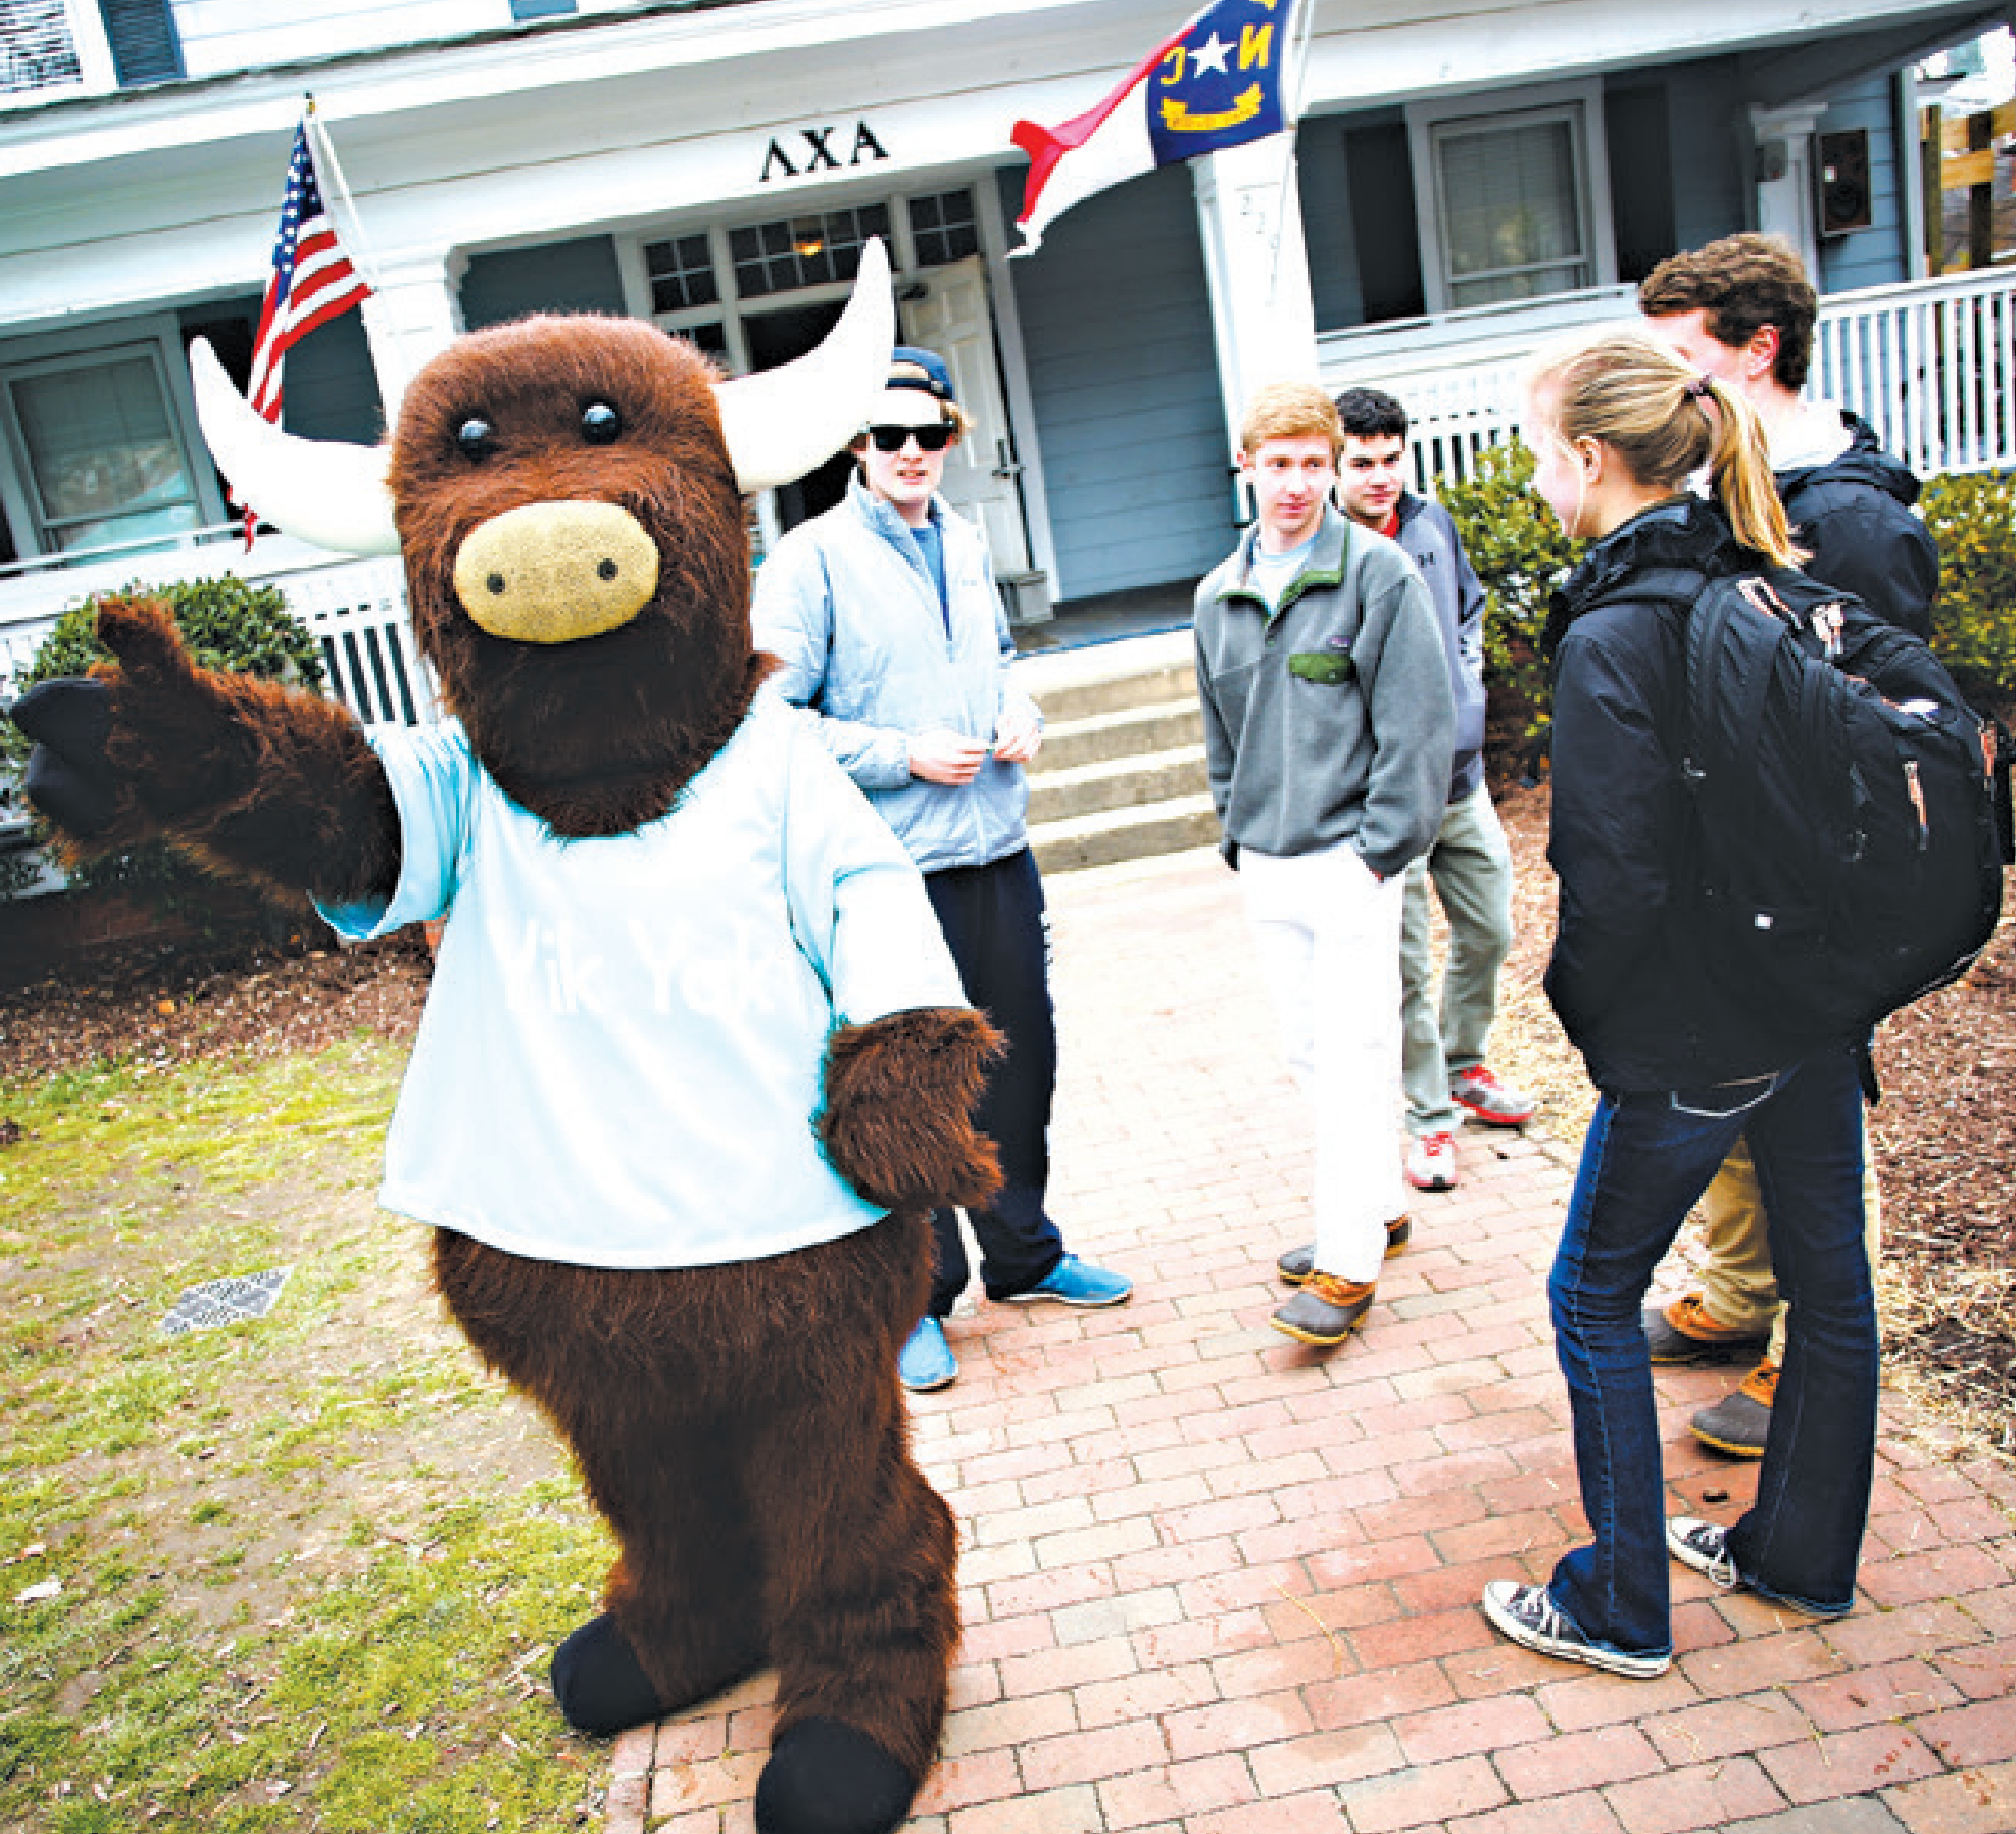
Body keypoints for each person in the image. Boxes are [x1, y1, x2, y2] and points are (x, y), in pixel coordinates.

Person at [1480, 329, 1877, 1679]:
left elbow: (1612, 873)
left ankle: (1619, 1605)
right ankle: (1800, 1555)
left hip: (1699, 1030)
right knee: (1831, 1287)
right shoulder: (1758, 580)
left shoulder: (1613, 630)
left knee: (1590, 1297)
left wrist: (1602, 1028)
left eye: (1541, 452)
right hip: (1810, 1002)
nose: (1536, 477)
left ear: (1593, 458)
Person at [752, 345, 1131, 1394]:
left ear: (952, 440)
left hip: (997, 850)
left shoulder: (965, 540)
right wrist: (899, 754)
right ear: (858, 445)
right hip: (890, 874)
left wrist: (1021, 712)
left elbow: (1000, 661)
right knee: (910, 1089)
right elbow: (771, 719)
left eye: (930, 435)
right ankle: (918, 1299)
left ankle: (1026, 1256)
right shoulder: (810, 562)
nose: (911, 452)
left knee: (1022, 1066)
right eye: (889, 436)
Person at [1637, 232, 1937, 1455]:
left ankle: (1810, 1353)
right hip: (1723, 868)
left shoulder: (1850, 521)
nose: (1664, 389)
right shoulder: (1713, 489)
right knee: (1728, 1086)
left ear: (1758, 350)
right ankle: (1735, 1294)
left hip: (1811, 884)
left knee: (1813, 1121)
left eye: (1681, 360)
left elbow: (1885, 723)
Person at [1193, 381, 1454, 1348]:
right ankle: (1378, 1204)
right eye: (1279, 464)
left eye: (1314, 464)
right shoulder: (1216, 596)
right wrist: (1236, 832)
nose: (1297, 484)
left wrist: (1381, 852)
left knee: (1350, 1057)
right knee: (1311, 1051)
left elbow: (1418, 728)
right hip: (1268, 860)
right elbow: (1222, 736)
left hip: (1354, 862)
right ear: (1247, 466)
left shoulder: (1379, 576)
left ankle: (1349, 1262)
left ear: (1333, 467)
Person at [1332, 385, 1536, 1196]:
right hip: (1387, 797)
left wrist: (1466, 685)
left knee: (1490, 931)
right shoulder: (1325, 551)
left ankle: (1464, 1064)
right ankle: (1428, 1120)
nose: (1381, 476)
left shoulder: (1431, 524)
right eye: (1362, 463)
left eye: (1391, 458)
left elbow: (1469, 610)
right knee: (1408, 968)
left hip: (1460, 782)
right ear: (1337, 465)